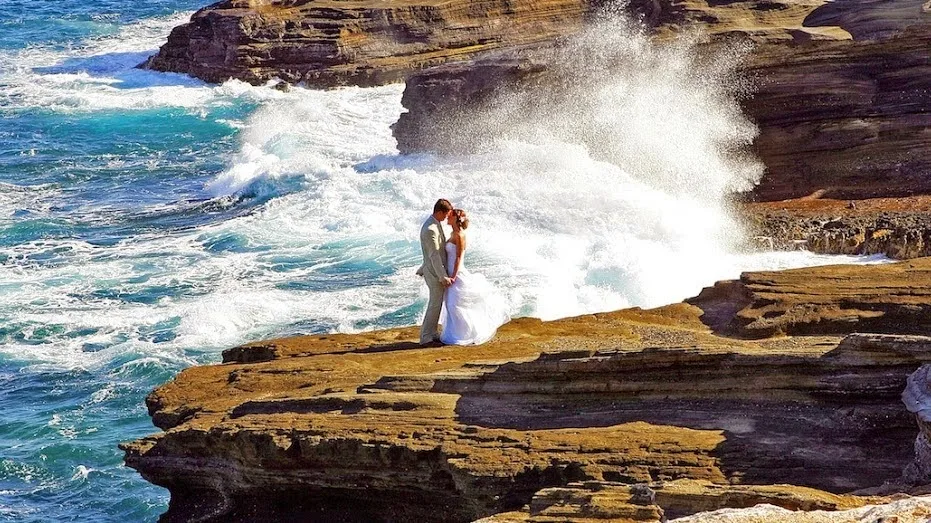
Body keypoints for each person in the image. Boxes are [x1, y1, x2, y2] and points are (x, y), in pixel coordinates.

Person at [439, 209, 510, 345]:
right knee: (450, 305)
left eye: (450, 216)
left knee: (454, 305)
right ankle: (456, 334)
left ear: (455, 219)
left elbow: (459, 257)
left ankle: (466, 334)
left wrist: (453, 276)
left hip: (457, 274)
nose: (447, 217)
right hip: (450, 273)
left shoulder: (460, 235)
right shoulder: (452, 233)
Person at [416, 198, 454, 345]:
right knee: (434, 303)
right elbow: (433, 255)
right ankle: (426, 336)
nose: (446, 218)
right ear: (439, 212)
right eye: (445, 215)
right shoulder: (430, 229)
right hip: (433, 272)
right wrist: (442, 276)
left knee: (436, 303)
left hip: (431, 269)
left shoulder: (434, 224)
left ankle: (432, 332)